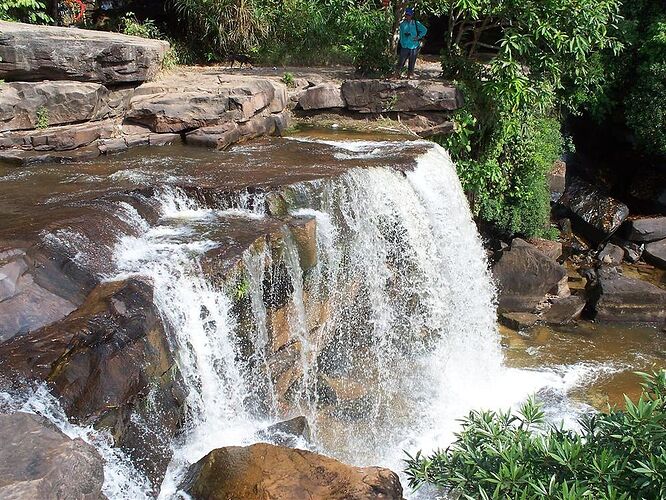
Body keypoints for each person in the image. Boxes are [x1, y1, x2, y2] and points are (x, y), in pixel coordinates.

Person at [393, 7, 427, 79]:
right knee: (401, 60)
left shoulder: (415, 23)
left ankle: (410, 75)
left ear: (411, 15)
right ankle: (397, 74)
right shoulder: (402, 24)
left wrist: (418, 37)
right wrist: (402, 43)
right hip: (405, 45)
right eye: (407, 15)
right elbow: (401, 35)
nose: (408, 16)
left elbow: (424, 30)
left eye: (409, 15)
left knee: (412, 61)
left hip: (414, 45)